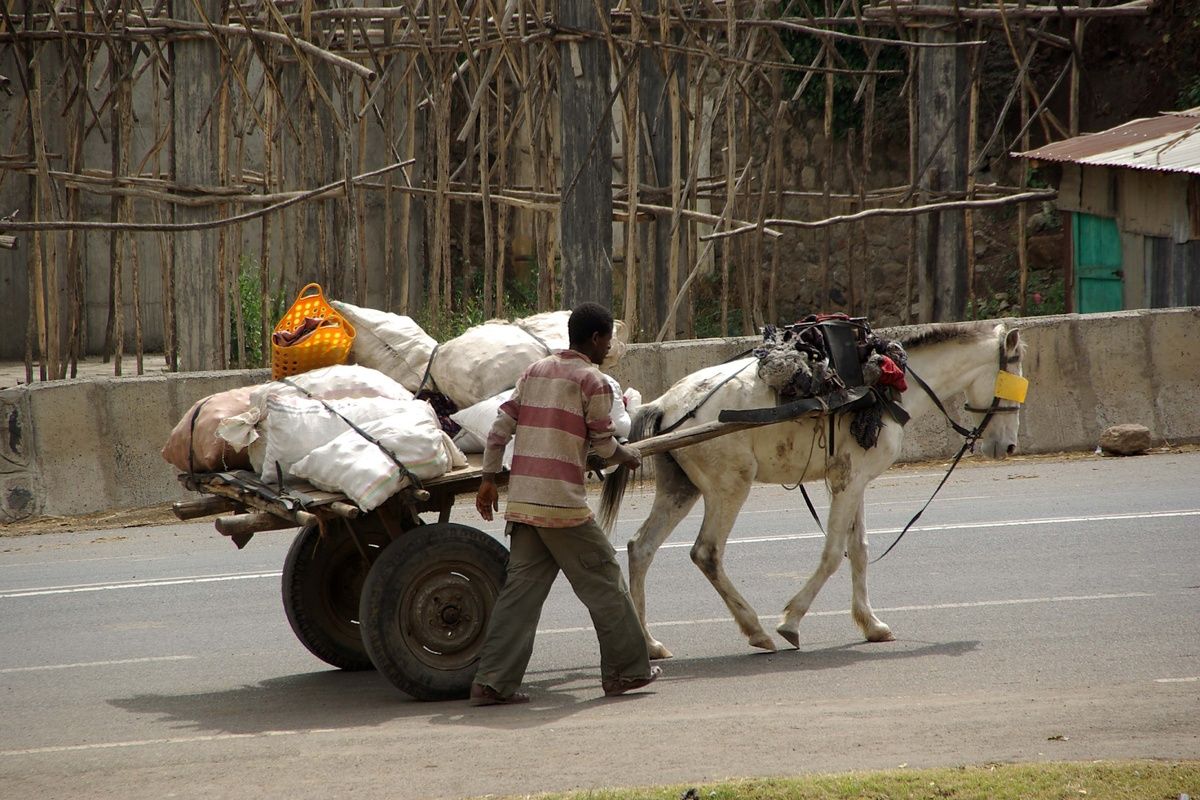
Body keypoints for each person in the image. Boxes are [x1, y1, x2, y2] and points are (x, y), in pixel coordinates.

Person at [469, 302, 662, 706]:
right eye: (608, 339)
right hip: (562, 505)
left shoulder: (534, 371)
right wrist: (627, 456)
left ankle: (491, 682)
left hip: (524, 502)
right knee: (606, 580)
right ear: (596, 338)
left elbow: (500, 428)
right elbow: (605, 444)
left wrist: (488, 479)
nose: (609, 347)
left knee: (520, 595)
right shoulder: (593, 381)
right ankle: (627, 672)